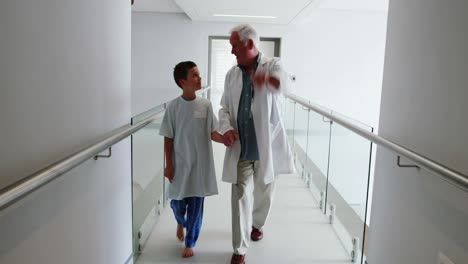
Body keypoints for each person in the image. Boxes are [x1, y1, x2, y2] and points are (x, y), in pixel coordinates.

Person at [218, 24, 294, 264]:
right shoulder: (232, 74)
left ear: (250, 44)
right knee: (239, 196)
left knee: (265, 194)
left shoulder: (273, 65)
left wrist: (264, 79)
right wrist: (227, 128)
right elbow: (224, 109)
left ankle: (257, 224)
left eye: (235, 47)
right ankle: (239, 250)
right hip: (240, 148)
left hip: (266, 148)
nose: (232, 52)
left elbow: (285, 85)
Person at [159, 61, 224, 258]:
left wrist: (227, 139)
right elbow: (168, 139)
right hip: (179, 165)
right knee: (177, 204)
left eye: (199, 74)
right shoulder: (173, 108)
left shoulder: (205, 105)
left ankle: (190, 242)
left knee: (196, 207)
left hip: (200, 166)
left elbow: (213, 132)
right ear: (182, 82)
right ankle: (180, 222)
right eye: (194, 75)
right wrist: (169, 165)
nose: (199, 78)